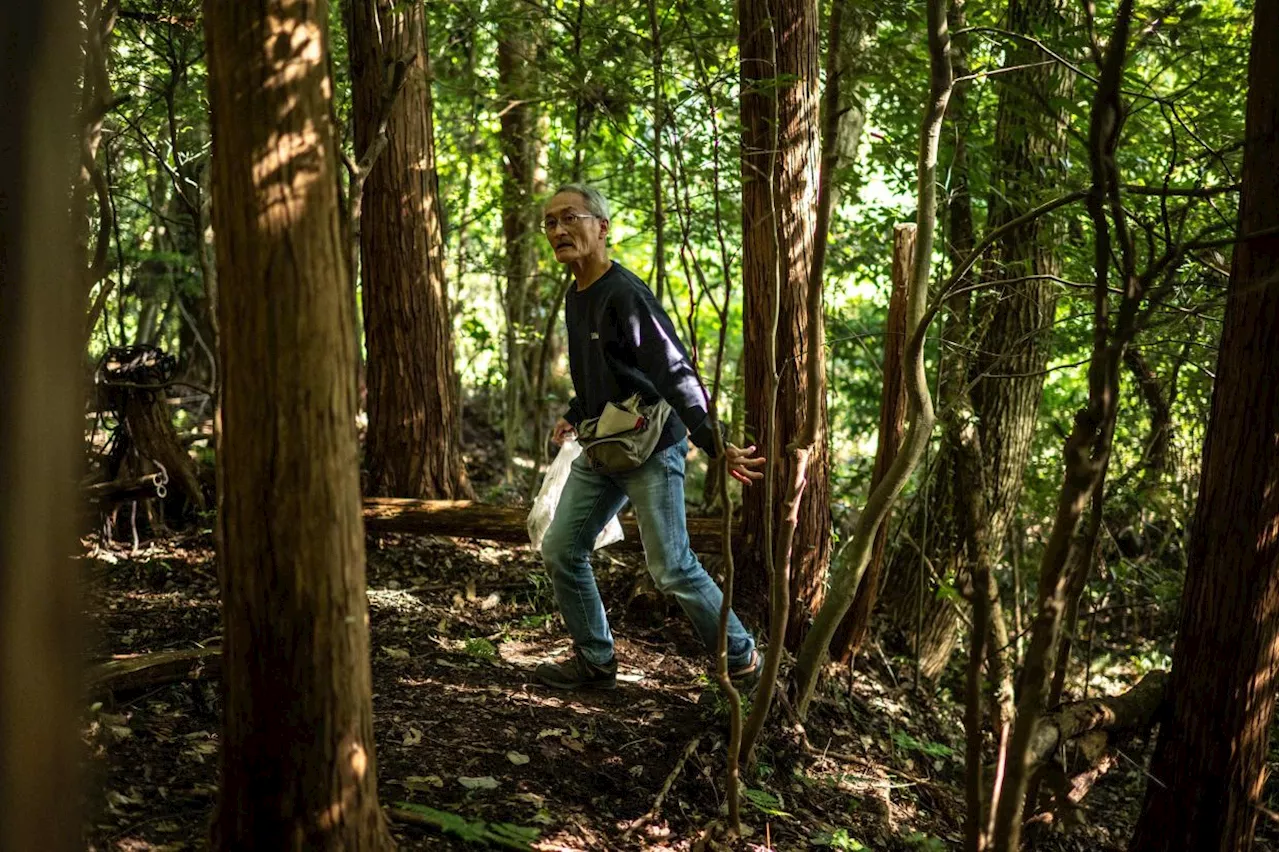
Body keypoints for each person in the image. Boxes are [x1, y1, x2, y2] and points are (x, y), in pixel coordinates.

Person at [534, 183, 766, 691]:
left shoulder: (625, 293)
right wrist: (575, 411)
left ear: (602, 226)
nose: (558, 231)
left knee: (672, 568)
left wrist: (712, 440)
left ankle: (745, 660)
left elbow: (672, 369)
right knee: (561, 549)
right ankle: (595, 663)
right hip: (603, 445)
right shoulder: (577, 296)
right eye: (550, 223)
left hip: (651, 445)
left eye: (569, 217)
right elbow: (601, 369)